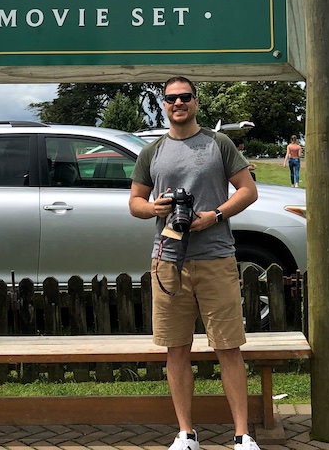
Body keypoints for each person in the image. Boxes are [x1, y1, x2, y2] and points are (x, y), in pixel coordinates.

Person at [129, 76, 261, 450]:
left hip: (216, 256)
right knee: (176, 349)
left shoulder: (219, 144)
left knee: (228, 347)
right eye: (171, 99)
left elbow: (248, 190)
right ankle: (186, 433)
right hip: (168, 261)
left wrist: (213, 216)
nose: (178, 103)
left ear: (196, 102)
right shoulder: (151, 152)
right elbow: (135, 203)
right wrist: (154, 207)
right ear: (164, 105)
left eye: (184, 97)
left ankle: (242, 434)